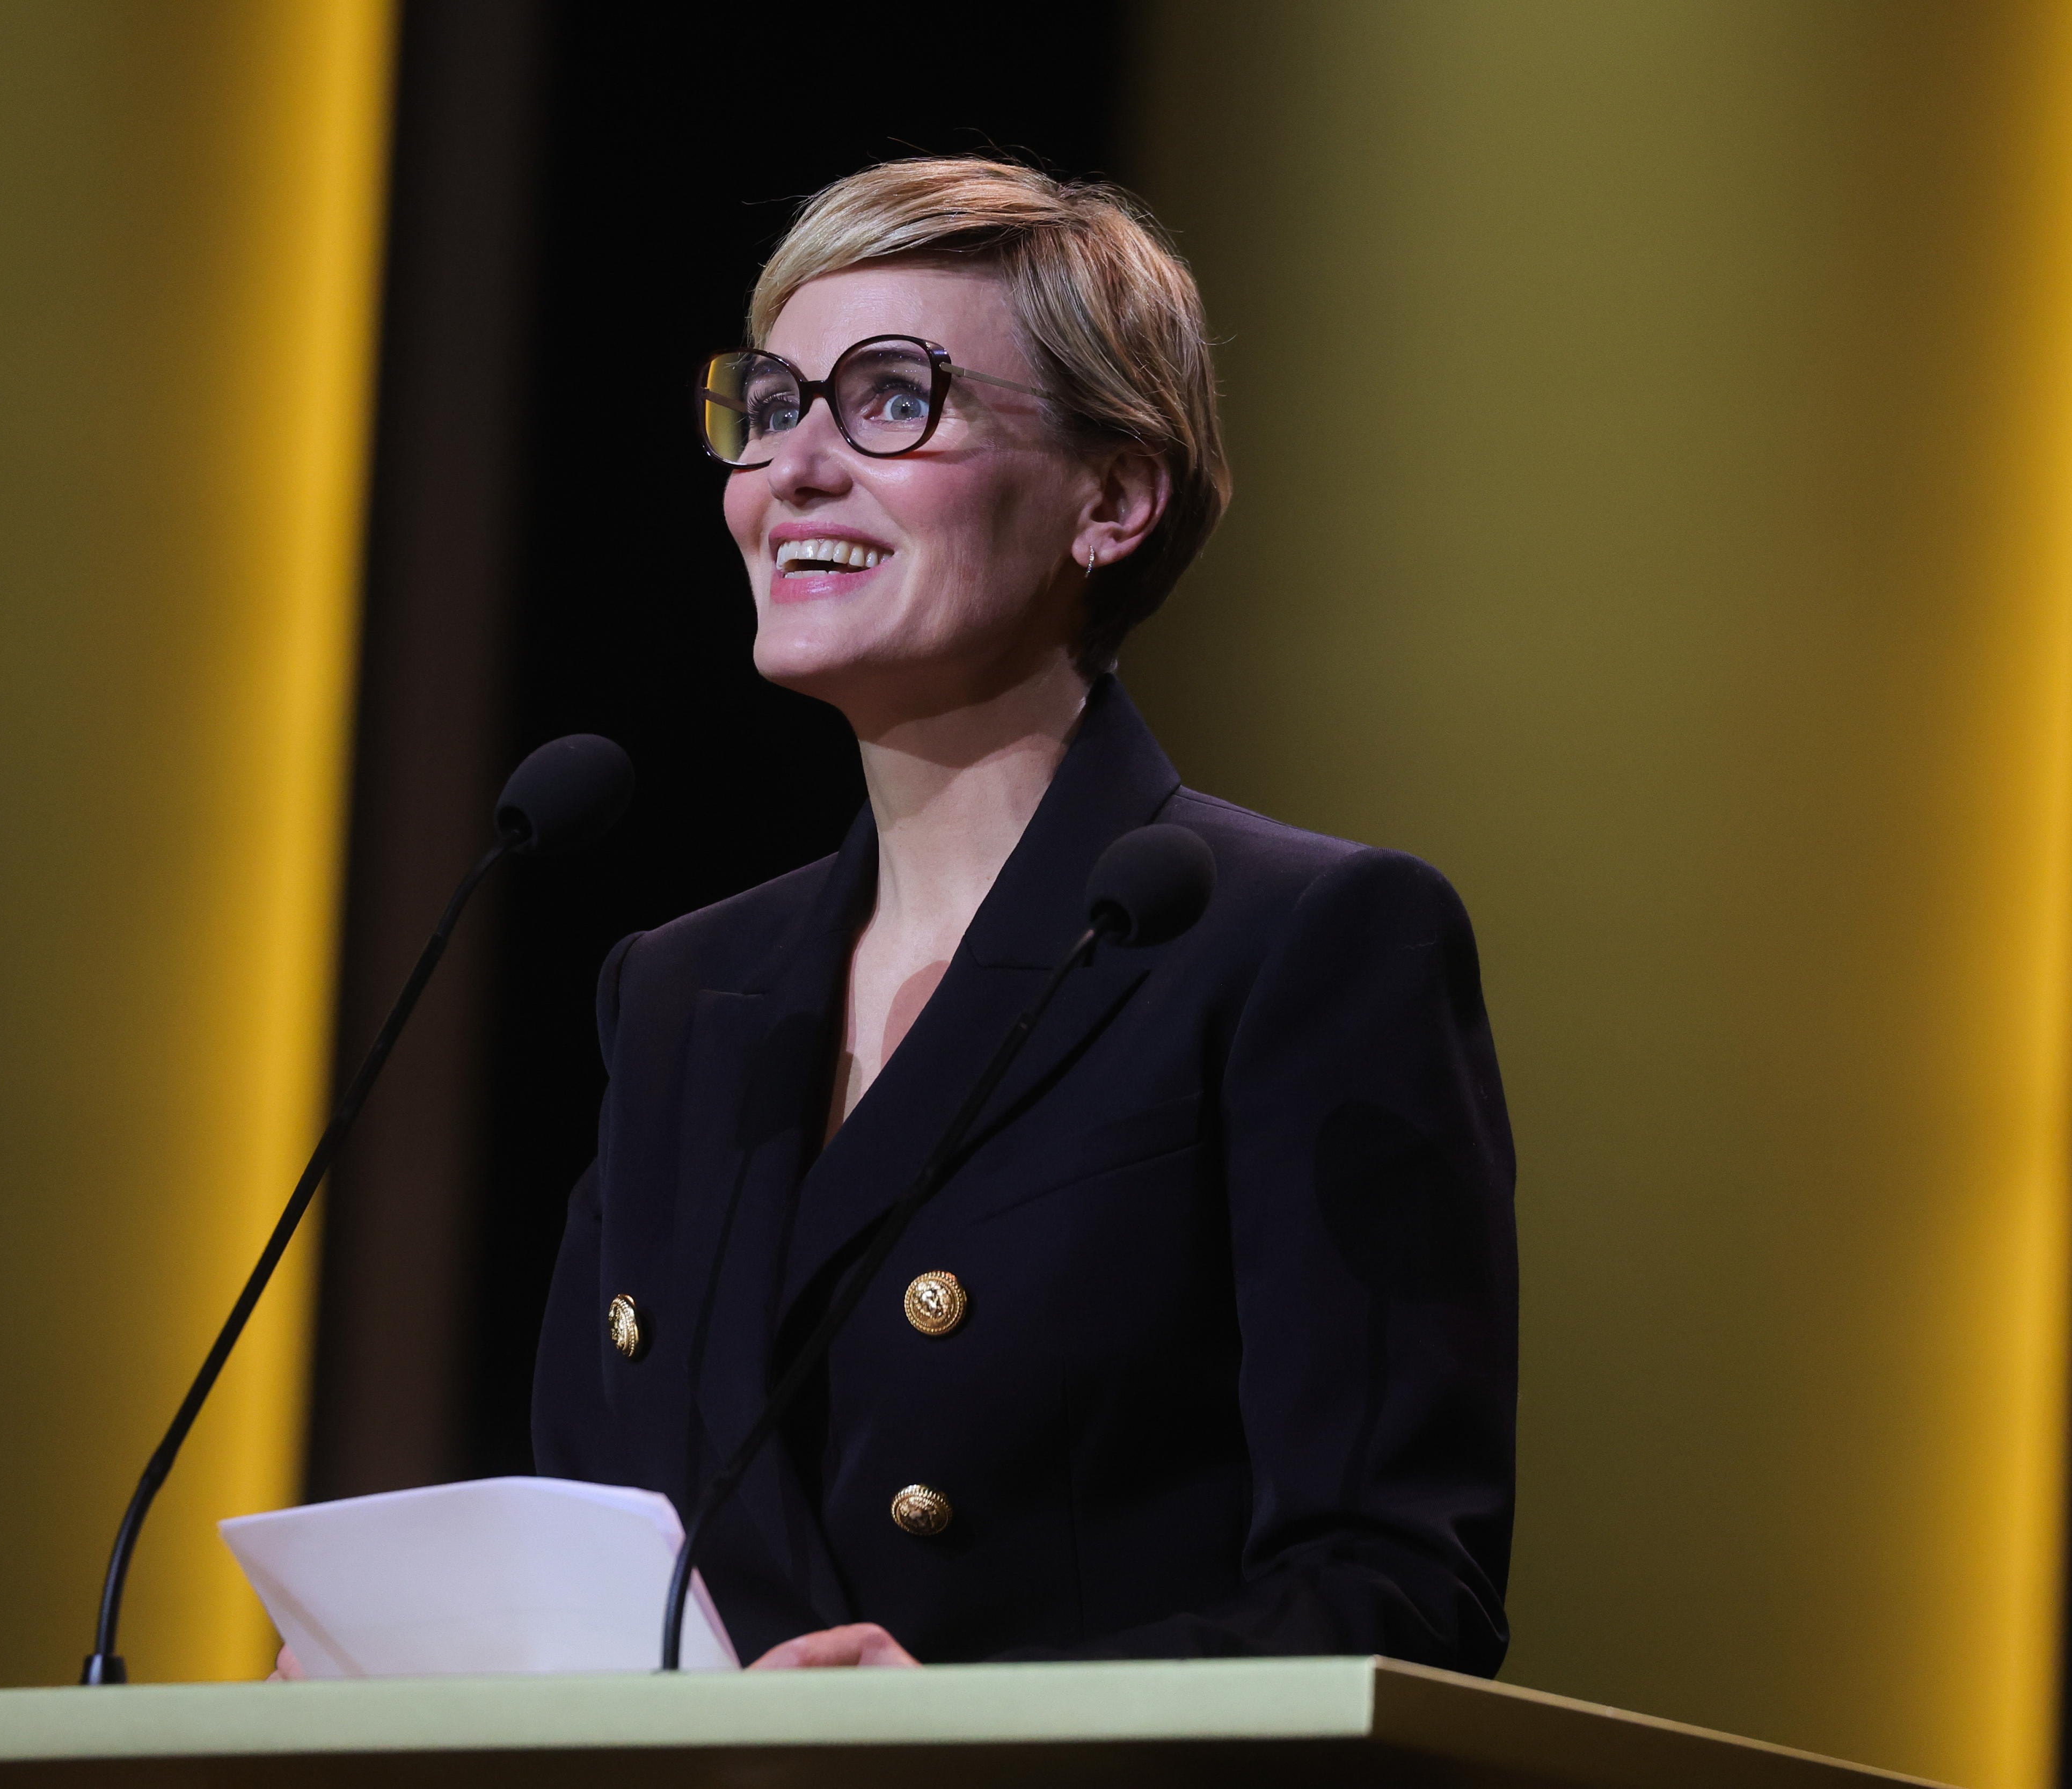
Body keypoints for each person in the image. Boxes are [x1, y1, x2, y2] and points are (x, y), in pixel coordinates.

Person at [529, 158, 1516, 1673]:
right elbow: (594, 1562)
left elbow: (1394, 1596)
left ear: (1113, 501)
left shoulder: (1301, 948)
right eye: (776, 403)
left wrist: (963, 1731)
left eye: (893, 399)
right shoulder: (675, 994)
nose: (795, 467)